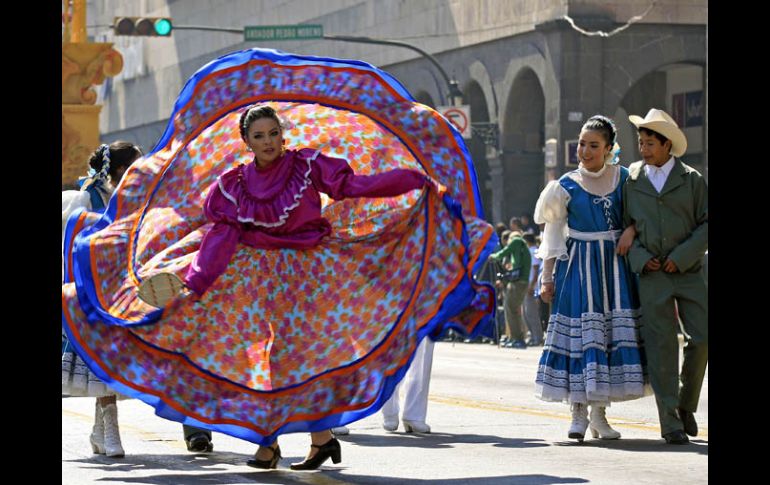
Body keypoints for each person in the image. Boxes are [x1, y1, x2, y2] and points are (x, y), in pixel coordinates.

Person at [61, 48, 496, 472]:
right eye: (259, 136)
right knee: (257, 361)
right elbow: (221, 239)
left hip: (310, 272)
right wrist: (196, 281)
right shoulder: (232, 184)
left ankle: (302, 441)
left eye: (273, 134)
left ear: (283, 134)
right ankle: (291, 442)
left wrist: (413, 180)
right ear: (246, 142)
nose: (268, 142)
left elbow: (358, 186)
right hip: (252, 279)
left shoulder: (308, 165)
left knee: (302, 359)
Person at [534, 115, 647, 442]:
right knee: (583, 338)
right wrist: (546, 277)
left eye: (593, 145)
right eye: (582, 144)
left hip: (616, 269)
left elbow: (641, 215)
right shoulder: (565, 186)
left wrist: (631, 229)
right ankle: (578, 413)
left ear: (609, 148)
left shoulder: (626, 179)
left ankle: (600, 414)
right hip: (579, 269)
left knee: (609, 337)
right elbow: (552, 235)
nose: (585, 150)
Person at [622, 108, 708, 445]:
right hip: (652, 274)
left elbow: (706, 223)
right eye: (641, 143)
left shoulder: (693, 180)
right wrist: (642, 259)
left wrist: (681, 256)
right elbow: (626, 227)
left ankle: (686, 405)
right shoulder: (631, 181)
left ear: (667, 145)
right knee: (661, 347)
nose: (643, 149)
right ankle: (669, 420)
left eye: (649, 144)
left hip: (689, 272)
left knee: (702, 339)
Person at [62, 141, 143, 458]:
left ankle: (101, 431)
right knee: (102, 361)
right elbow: (74, 239)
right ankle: (111, 432)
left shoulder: (134, 200)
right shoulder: (83, 199)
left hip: (120, 292)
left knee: (108, 364)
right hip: (89, 291)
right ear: (122, 170)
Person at [490, 230, 531, 348]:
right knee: (514, 311)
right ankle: (514, 337)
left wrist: (494, 256)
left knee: (511, 311)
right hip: (520, 283)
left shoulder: (517, 241)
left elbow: (504, 252)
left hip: (518, 284)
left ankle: (517, 339)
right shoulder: (522, 247)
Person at [522, 233, 543, 346]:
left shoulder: (533, 251)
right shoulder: (528, 251)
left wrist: (532, 285)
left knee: (532, 313)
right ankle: (532, 336)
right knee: (526, 313)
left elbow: (535, 270)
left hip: (531, 286)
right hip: (527, 285)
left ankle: (537, 337)